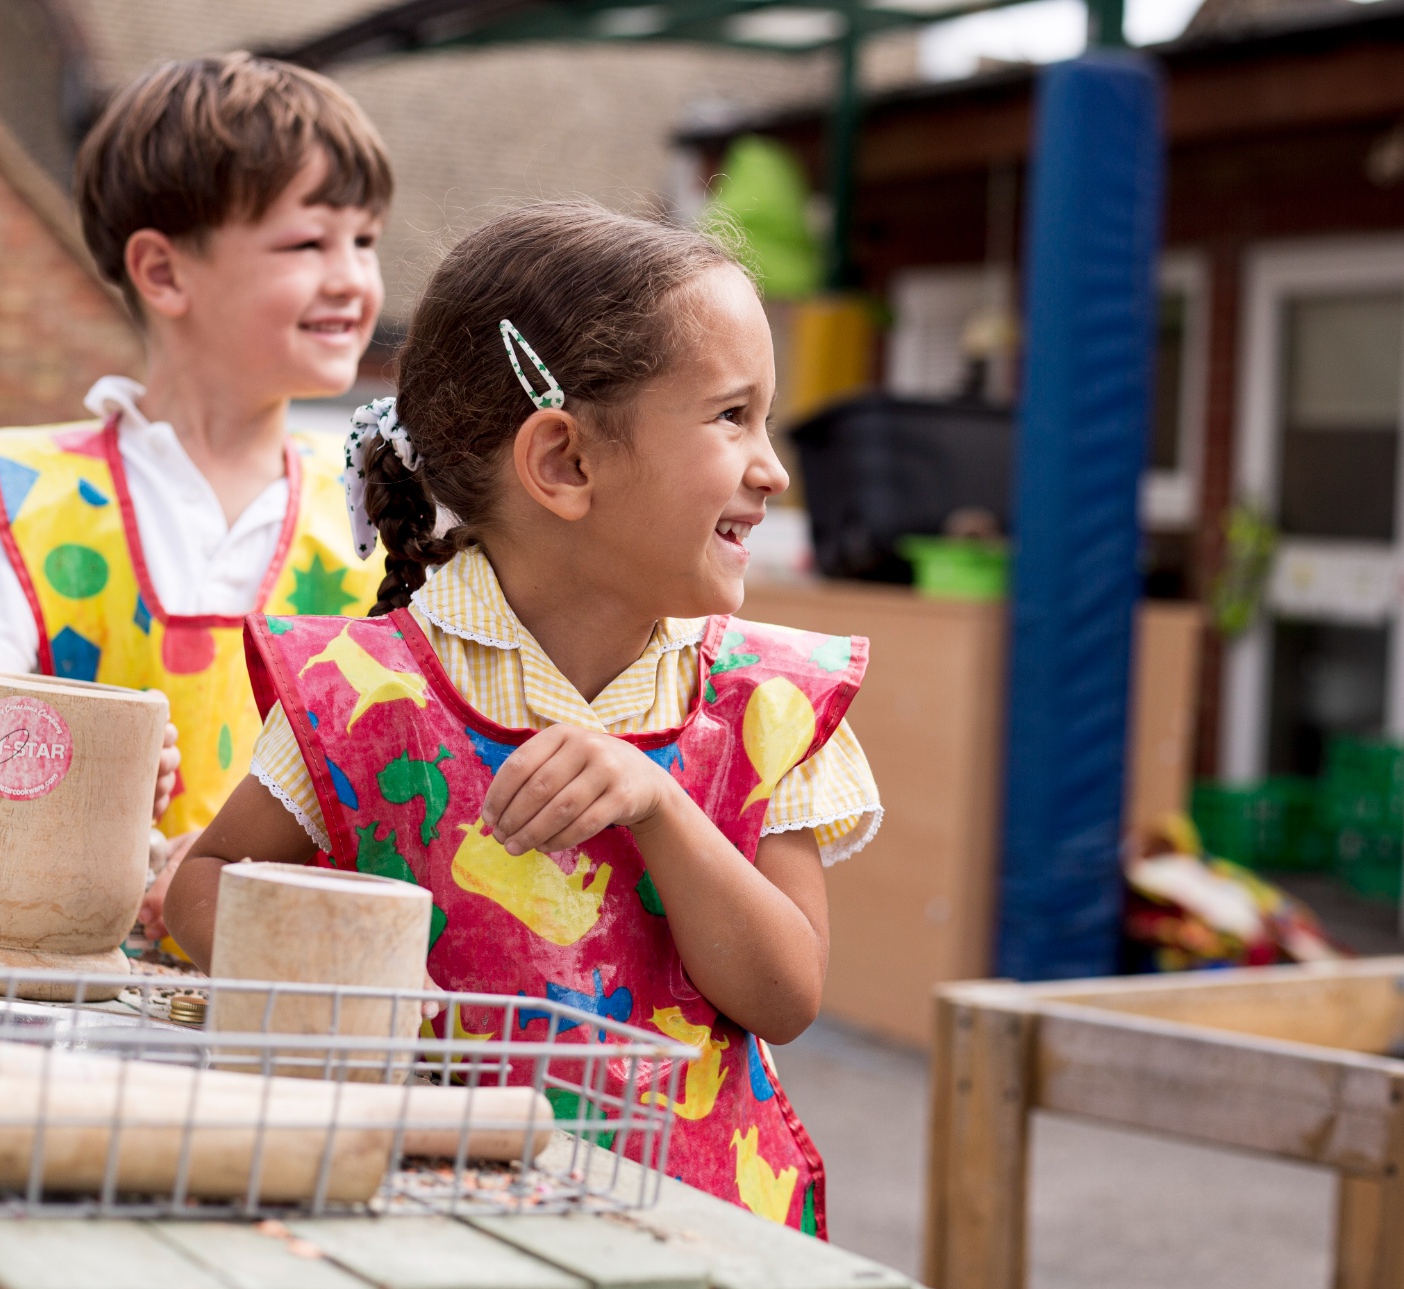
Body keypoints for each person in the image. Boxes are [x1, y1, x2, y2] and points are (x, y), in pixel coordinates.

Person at [163, 203, 882, 1233]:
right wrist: (326, 966)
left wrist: (658, 804)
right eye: (731, 416)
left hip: (698, 1246)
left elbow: (785, 995)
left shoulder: (768, 702)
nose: (770, 466)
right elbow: (201, 878)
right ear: (565, 463)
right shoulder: (364, 693)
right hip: (417, 1237)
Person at [0, 54, 390, 931]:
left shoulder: (374, 516)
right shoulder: (35, 491)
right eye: (310, 242)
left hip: (284, 985)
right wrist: (70, 745)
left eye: (365, 239)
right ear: (162, 273)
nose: (352, 277)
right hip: (59, 977)